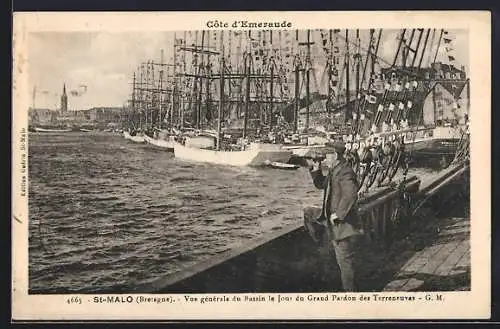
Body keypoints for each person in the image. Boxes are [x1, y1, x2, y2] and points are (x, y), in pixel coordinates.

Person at [303, 141, 363, 292]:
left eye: (327, 156)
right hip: (328, 217)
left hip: (342, 224)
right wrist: (316, 170)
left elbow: (350, 194)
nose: (324, 160)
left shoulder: (345, 172)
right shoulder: (334, 170)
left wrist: (339, 214)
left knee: (345, 262)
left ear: (335, 156)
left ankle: (351, 296)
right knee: (308, 212)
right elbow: (321, 185)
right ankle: (318, 241)